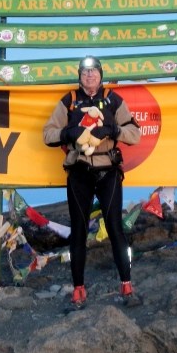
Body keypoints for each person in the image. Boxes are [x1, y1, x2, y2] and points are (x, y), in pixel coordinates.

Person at [43, 56, 141, 310]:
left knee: (115, 228)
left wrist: (112, 130)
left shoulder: (113, 100)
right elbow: (48, 134)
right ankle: (78, 290)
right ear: (79, 76)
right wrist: (68, 133)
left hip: (108, 170)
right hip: (80, 170)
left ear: (100, 75)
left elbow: (135, 134)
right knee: (78, 231)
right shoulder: (69, 101)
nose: (90, 77)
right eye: (85, 73)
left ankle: (127, 286)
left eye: (94, 72)